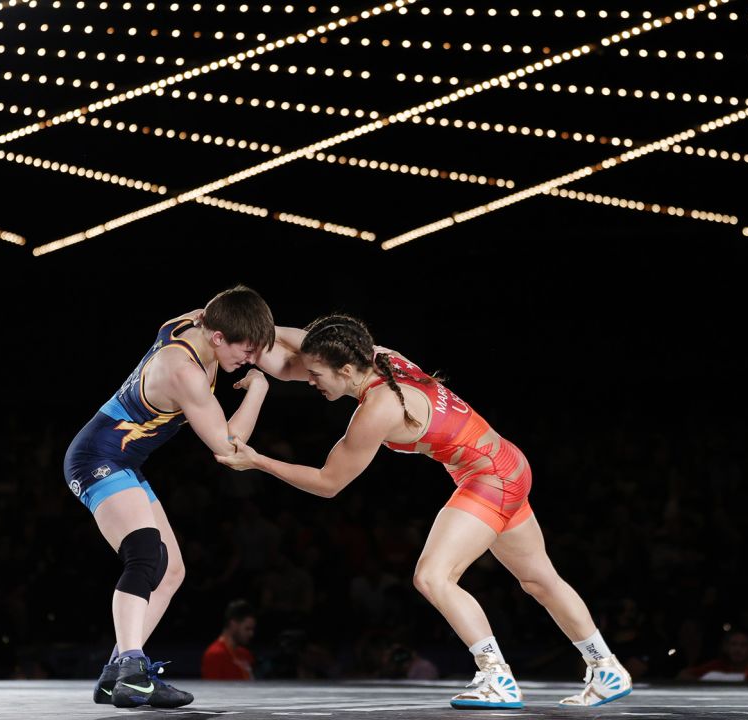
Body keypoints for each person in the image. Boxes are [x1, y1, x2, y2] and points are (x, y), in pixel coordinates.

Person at [218, 314, 632, 709]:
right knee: (539, 579)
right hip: (508, 463)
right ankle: (606, 668)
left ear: (345, 370)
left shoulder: (379, 409)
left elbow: (329, 483)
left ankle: (495, 676)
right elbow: (299, 345)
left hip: (488, 477)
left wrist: (258, 461)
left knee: (433, 577)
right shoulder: (380, 355)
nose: (307, 380)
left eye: (315, 374)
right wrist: (248, 329)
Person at [63, 285, 274, 708]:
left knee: (172, 571)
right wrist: (259, 389)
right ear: (218, 337)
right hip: (95, 458)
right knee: (145, 554)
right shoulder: (184, 372)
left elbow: (241, 318)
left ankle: (115, 674)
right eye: (246, 351)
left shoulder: (195, 321)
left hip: (124, 461)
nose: (249, 361)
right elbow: (228, 448)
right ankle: (131, 668)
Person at [677, 629, 748, 682]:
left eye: (743, 645)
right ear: (726, 648)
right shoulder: (716, 666)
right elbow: (683, 675)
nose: (738, 649)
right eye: (733, 644)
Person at [201, 599, 257, 680]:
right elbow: (212, 691)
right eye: (247, 629)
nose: (251, 634)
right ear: (233, 624)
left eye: (252, 629)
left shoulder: (246, 654)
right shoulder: (214, 655)